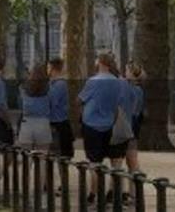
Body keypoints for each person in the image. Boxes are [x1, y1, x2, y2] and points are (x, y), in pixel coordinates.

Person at [79, 52, 128, 204]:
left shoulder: (93, 81)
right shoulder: (119, 82)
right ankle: (110, 193)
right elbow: (120, 103)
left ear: (100, 63)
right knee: (113, 160)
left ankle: (93, 193)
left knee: (94, 162)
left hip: (92, 125)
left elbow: (80, 99)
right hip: (111, 124)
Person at [18, 65, 53, 152]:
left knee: (26, 155)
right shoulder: (49, 88)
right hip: (43, 123)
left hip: (27, 123)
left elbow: (20, 105)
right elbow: (52, 104)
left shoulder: (23, 88)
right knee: (42, 155)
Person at [47, 58, 75, 158]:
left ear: (53, 69)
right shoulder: (52, 83)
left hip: (58, 124)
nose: (47, 70)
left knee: (61, 155)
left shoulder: (59, 84)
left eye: (48, 67)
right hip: (56, 122)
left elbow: (52, 102)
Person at [125, 62, 146, 172]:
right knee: (130, 154)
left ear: (131, 73)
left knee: (131, 155)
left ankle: (136, 173)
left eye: (127, 70)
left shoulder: (133, 89)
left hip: (131, 123)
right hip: (134, 122)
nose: (125, 73)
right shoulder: (137, 89)